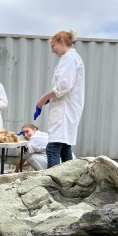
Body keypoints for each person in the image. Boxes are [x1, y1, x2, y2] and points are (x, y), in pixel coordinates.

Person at [36, 30, 85, 168]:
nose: (52, 50)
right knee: (64, 149)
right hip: (67, 109)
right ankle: (70, 183)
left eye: (53, 46)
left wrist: (42, 99)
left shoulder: (69, 58)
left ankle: (53, 186)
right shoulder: (72, 58)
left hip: (65, 111)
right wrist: (49, 98)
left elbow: (63, 86)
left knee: (52, 149)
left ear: (62, 42)